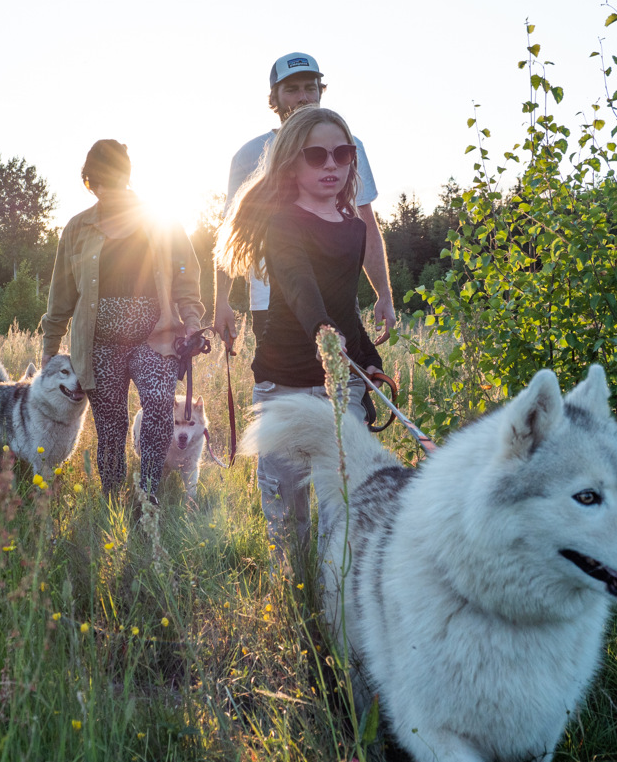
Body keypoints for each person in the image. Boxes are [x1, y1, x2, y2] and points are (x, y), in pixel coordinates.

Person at [215, 105, 384, 563]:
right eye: (316, 156)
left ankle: (334, 609)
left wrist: (368, 359)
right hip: (286, 382)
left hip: (341, 384)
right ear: (292, 161)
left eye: (342, 154)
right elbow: (300, 287)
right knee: (289, 514)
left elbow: (346, 304)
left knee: (342, 509)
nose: (331, 164)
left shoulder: (352, 227)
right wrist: (327, 337)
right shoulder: (282, 222)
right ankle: (295, 603)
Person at [40, 140, 205, 508]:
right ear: (89, 184)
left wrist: (192, 321)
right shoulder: (77, 228)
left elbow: (186, 276)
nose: (107, 189)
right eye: (98, 182)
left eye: (114, 181)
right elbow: (61, 297)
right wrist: (50, 353)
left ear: (127, 178)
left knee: (160, 407)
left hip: (156, 338)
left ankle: (149, 494)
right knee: (111, 425)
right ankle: (113, 498)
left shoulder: (160, 220)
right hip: (100, 343)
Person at [214, 52, 395, 351]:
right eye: (292, 89)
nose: (303, 97)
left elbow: (367, 225)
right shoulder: (249, 155)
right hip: (272, 302)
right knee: (286, 389)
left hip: (338, 300)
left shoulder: (348, 147)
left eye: (311, 87)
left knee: (346, 387)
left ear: (321, 91)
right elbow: (231, 232)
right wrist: (221, 302)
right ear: (275, 98)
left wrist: (384, 293)